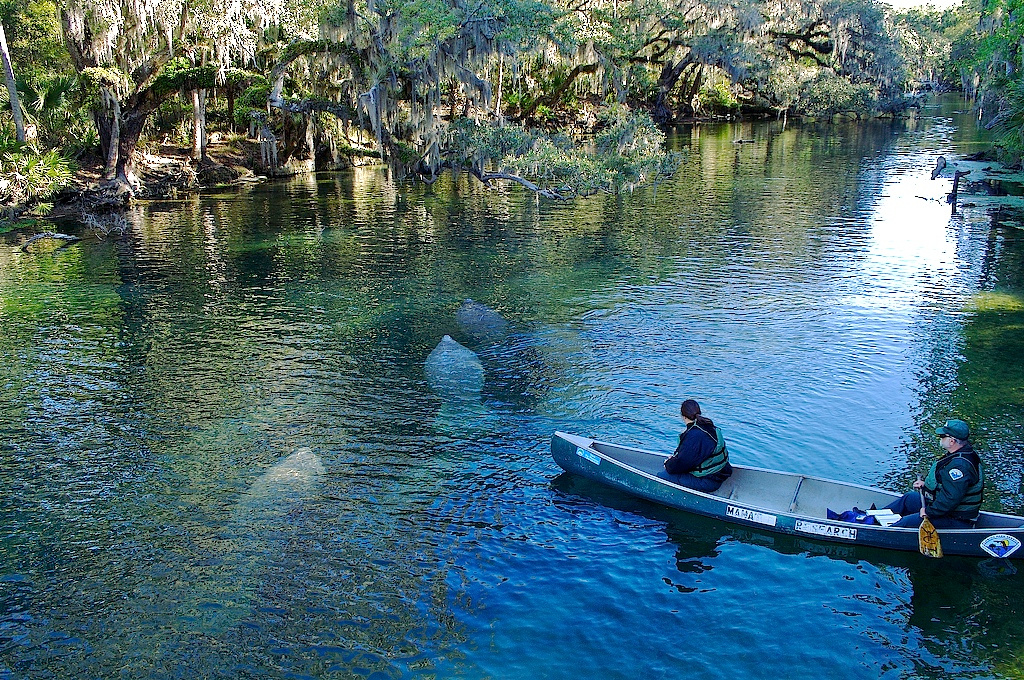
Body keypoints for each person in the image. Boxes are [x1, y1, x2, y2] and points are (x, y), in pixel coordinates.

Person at [886, 419, 984, 529]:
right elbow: (951, 486)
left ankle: (882, 532)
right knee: (909, 498)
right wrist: (926, 485)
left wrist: (928, 512)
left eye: (942, 436)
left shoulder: (959, 467)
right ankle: (870, 519)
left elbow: (950, 499)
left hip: (956, 519)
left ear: (952, 441)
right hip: (946, 511)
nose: (940, 438)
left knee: (905, 522)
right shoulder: (961, 454)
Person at [657, 399, 732, 492]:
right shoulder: (708, 426)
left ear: (683, 416)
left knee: (662, 476)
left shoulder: (694, 437)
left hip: (709, 482)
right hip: (719, 474)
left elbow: (682, 464)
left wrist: (668, 464)